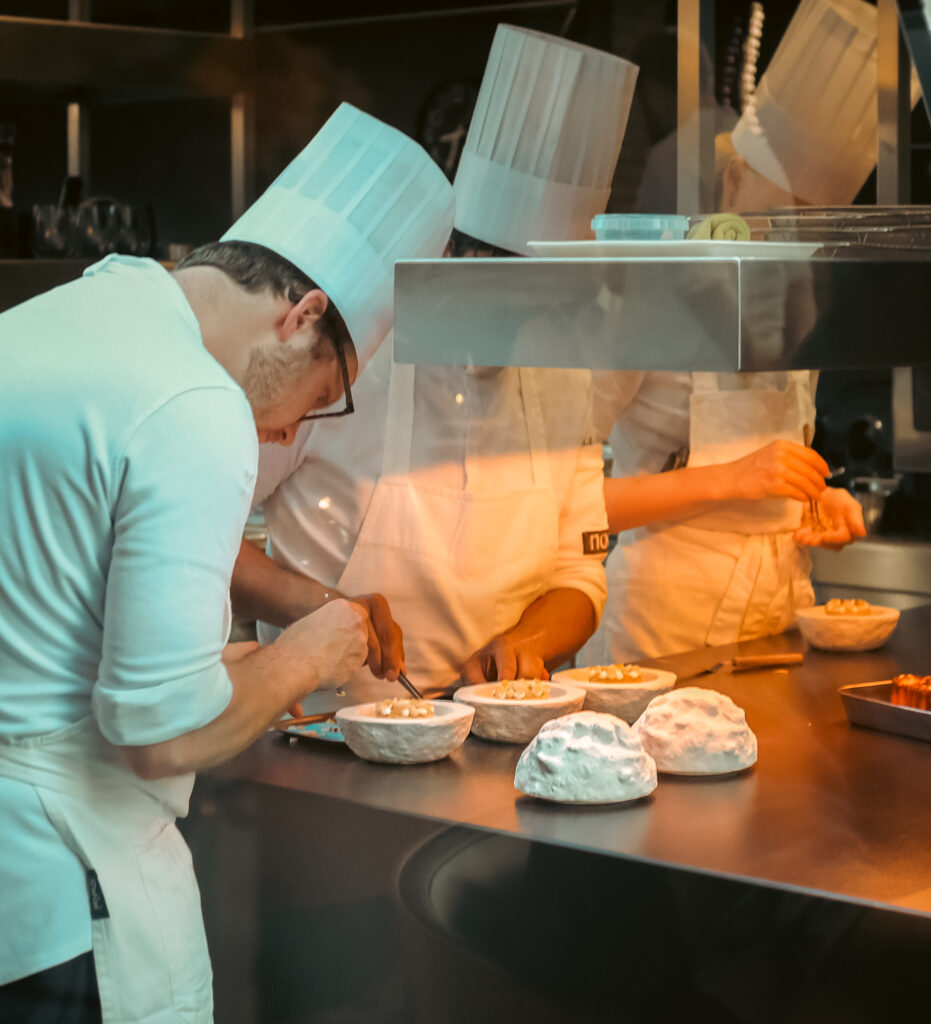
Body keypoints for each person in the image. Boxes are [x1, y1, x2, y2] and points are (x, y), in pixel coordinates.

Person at [0, 102, 454, 1023]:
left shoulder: (88, 310)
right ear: (303, 316)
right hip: (71, 885)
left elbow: (101, 530)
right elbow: (160, 732)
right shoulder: (197, 405)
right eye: (321, 398)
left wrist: (308, 603)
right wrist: (310, 656)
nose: (288, 432)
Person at [233, 26, 636, 702]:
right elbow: (206, 533)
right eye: (506, 303)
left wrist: (527, 644)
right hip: (321, 734)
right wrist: (322, 611)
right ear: (452, 257)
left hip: (497, 752)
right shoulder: (344, 352)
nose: (523, 336)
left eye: (542, 310)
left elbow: (581, 573)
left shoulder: (563, 372)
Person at [585, 0, 878, 665]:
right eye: (782, 216)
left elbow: (771, 469)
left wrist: (814, 500)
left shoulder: (803, 299)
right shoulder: (651, 297)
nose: (796, 242)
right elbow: (566, 504)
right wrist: (729, 479)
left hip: (780, 621)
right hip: (660, 642)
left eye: (815, 225)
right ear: (733, 180)